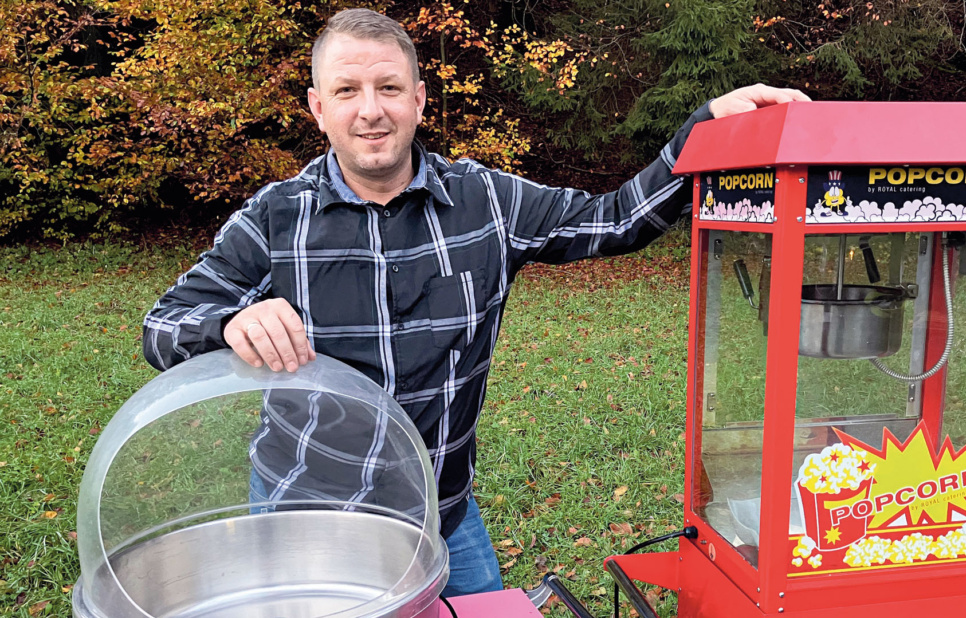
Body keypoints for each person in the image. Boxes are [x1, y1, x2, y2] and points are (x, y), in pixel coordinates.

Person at [142, 8, 809, 598]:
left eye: (389, 88)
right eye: (347, 90)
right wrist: (231, 320)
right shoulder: (274, 218)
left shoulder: (487, 202)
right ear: (318, 107)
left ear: (420, 100)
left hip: (441, 512)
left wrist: (705, 131)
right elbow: (165, 327)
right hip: (306, 521)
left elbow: (613, 220)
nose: (370, 109)